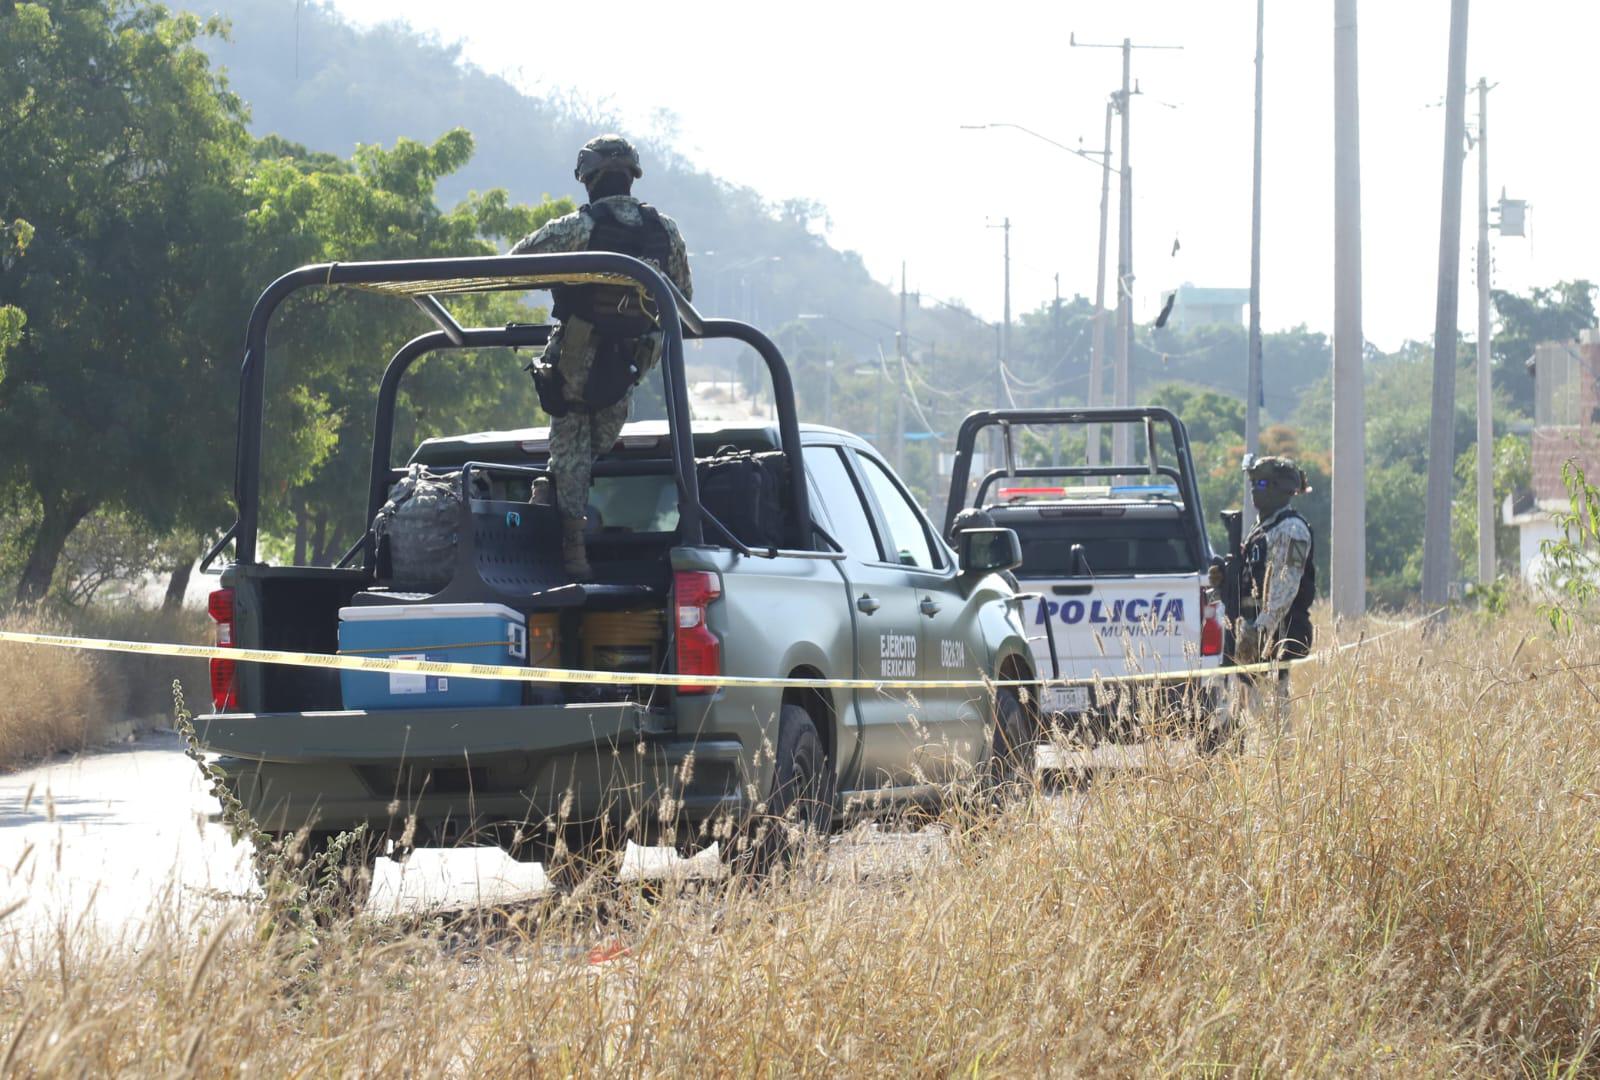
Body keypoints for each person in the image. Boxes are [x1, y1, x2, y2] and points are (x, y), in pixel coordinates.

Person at [509, 134, 693, 576]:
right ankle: (552, 498)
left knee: (571, 443)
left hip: (578, 362)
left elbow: (514, 264)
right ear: (632, 175)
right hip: (629, 364)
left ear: (588, 178)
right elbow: (683, 296)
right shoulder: (665, 230)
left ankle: (571, 545)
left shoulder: (579, 227)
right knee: (583, 447)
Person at [1225, 455, 1316, 738]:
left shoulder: (1291, 530)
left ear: (1281, 489)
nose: (1255, 489)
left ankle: (1280, 763)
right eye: (1252, 482)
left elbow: (1284, 587)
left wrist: (1260, 630)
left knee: (1272, 712)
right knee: (1247, 708)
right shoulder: (1261, 529)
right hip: (1251, 629)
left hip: (1278, 633)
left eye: (1262, 483)